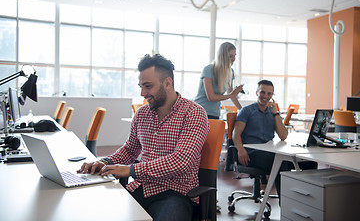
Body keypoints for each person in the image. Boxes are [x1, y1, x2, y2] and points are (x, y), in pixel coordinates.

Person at [77, 54, 210, 221]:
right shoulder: (142, 114)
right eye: (141, 86)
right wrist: (105, 162)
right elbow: (129, 149)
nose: (142, 93)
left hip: (176, 193)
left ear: (168, 83)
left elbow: (181, 161)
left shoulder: (194, 113)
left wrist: (131, 170)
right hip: (141, 188)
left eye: (148, 86)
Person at [232, 79, 317, 197]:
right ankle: (286, 204)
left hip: (269, 151)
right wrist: (240, 150)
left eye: (269, 93)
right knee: (282, 163)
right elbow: (236, 134)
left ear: (272, 95)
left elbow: (283, 136)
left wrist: (275, 113)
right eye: (262, 92)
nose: (265, 96)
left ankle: (307, 199)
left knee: (309, 163)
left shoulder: (273, 113)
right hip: (251, 153)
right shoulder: (246, 111)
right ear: (257, 92)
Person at [194, 42, 244, 119]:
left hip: (215, 113)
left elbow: (231, 95)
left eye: (234, 56)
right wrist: (231, 94)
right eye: (230, 56)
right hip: (200, 112)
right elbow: (211, 97)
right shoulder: (208, 69)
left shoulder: (230, 72)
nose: (234, 59)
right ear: (223, 57)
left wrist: (242, 110)